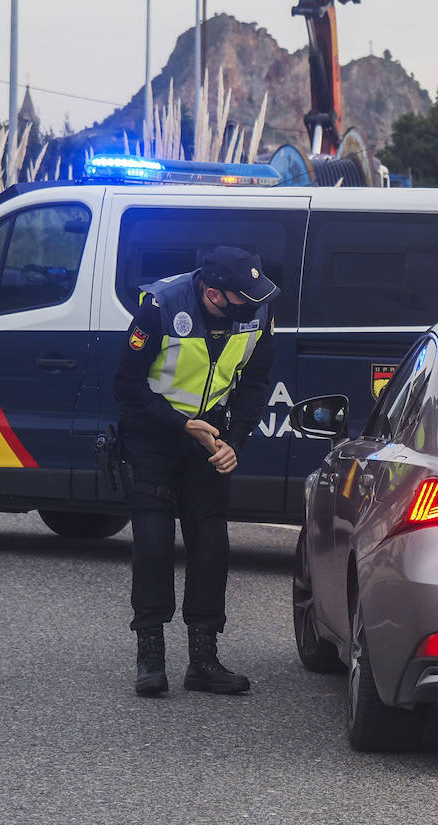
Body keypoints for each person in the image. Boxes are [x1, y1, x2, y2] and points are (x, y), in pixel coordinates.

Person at [114, 246, 280, 697]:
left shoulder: (258, 313)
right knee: (152, 544)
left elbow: (256, 383)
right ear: (212, 294)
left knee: (211, 548)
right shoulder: (161, 307)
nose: (253, 305)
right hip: (154, 437)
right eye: (241, 298)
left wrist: (235, 442)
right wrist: (180, 423)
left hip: (210, 439)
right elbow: (126, 385)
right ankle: (150, 657)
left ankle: (203, 661)